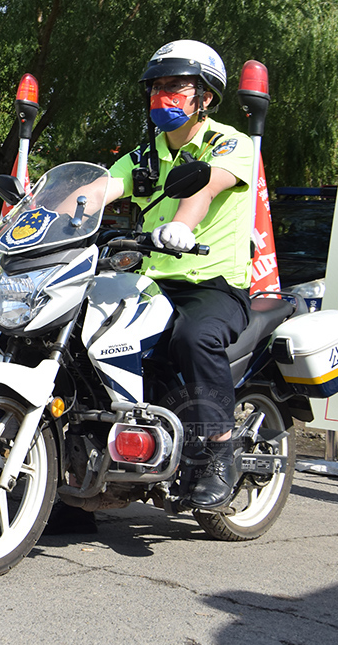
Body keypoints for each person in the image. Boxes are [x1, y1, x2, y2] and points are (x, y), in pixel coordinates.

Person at [103, 39, 255, 511]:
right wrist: (32, 216)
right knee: (91, 334)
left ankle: (219, 451)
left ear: (205, 97)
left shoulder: (229, 142)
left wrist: (180, 226)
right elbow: (98, 188)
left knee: (193, 339)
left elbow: (206, 187)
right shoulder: (144, 154)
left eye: (176, 87)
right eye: (157, 88)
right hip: (154, 283)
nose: (162, 97)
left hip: (214, 284)